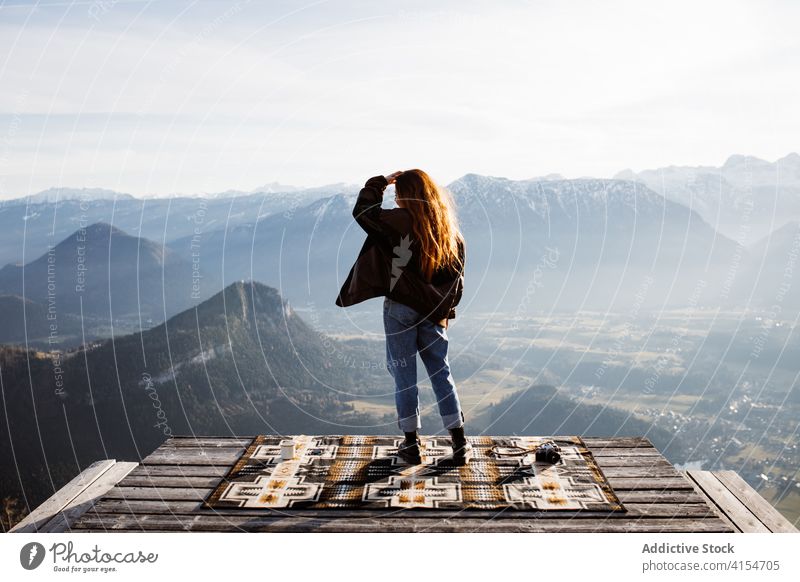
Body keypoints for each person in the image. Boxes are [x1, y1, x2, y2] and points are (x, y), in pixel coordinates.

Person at [335, 169, 471, 465]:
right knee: (441, 373)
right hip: (433, 313)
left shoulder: (398, 222)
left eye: (398, 194)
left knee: (404, 377)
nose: (395, 199)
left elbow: (363, 212)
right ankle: (460, 444)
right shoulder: (450, 231)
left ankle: (412, 445)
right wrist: (443, 312)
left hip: (400, 310)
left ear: (405, 195)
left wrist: (380, 183)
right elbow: (456, 282)